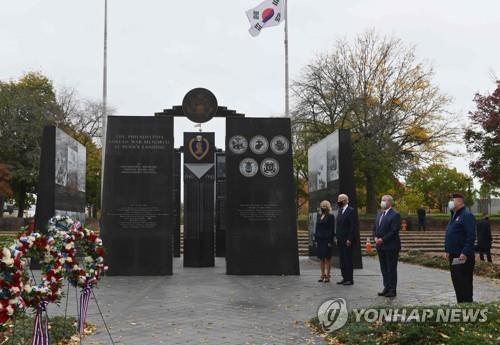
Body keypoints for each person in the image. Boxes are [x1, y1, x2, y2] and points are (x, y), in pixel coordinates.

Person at [444, 193, 476, 303]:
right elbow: (451, 234)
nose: (451, 202)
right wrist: (447, 250)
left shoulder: (466, 215)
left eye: (453, 200)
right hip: (454, 255)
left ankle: (467, 307)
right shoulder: (454, 214)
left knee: (464, 283)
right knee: (457, 282)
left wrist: (465, 252)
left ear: (459, 202)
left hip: (463, 256)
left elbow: (471, 236)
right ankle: (461, 305)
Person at [373, 195, 401, 298]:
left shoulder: (395, 215)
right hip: (380, 246)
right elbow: (375, 227)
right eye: (381, 200)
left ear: (390, 202)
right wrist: (375, 237)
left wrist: (383, 239)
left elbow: (394, 231)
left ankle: (392, 290)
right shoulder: (379, 213)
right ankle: (386, 287)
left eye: (384, 200)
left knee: (391, 268)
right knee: (384, 268)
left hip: (391, 246)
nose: (382, 202)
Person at [335, 194, 356, 285]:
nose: (338, 201)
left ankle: (350, 279)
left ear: (344, 200)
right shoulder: (340, 210)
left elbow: (353, 227)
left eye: (339, 200)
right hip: (340, 239)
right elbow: (338, 226)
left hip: (347, 240)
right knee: (342, 260)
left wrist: (349, 239)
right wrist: (336, 237)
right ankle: (344, 278)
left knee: (348, 260)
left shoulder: (351, 211)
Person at [313, 200, 335, 283]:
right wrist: (315, 239)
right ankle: (322, 275)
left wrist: (330, 241)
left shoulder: (331, 216)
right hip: (320, 240)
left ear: (328, 207)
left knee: (327, 258)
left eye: (324, 206)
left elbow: (332, 229)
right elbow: (317, 228)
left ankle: (328, 276)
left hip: (327, 240)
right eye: (322, 205)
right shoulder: (319, 216)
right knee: (321, 258)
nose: (323, 207)